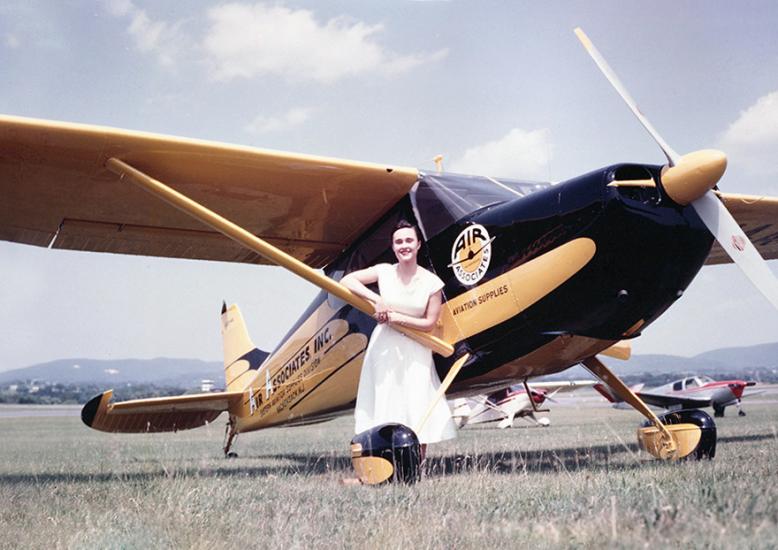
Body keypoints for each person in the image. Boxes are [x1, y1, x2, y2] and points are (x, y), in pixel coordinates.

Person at [341, 220, 457, 466]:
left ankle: (415, 467)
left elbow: (429, 323)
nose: (404, 246)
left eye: (408, 241)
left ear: (417, 244)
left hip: (416, 349)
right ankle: (377, 465)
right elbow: (347, 281)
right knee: (383, 401)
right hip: (384, 348)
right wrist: (377, 301)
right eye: (399, 242)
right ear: (393, 247)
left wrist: (396, 317)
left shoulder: (432, 283)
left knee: (416, 402)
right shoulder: (384, 271)